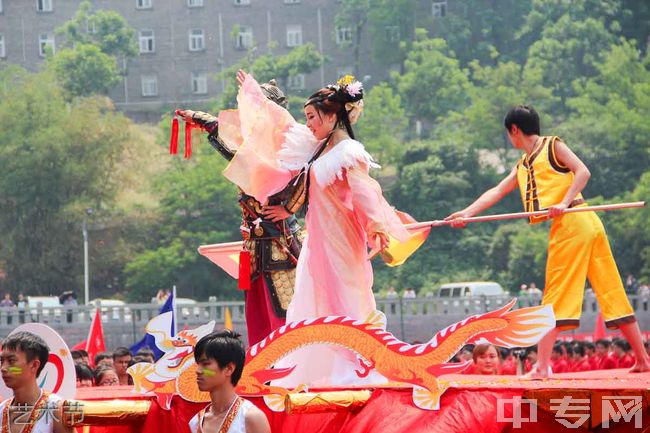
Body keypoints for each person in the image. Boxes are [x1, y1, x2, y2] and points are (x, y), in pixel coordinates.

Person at [446, 105, 650, 377]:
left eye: (509, 134)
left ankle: (542, 366)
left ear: (514, 130)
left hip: (574, 222)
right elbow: (497, 190)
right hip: (586, 224)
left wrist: (563, 202)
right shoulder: (524, 163)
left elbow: (583, 171)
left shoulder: (553, 146)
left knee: (554, 295)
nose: (510, 138)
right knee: (611, 290)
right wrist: (467, 213)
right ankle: (643, 359)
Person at [177, 78, 302, 347]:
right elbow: (236, 149)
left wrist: (289, 207)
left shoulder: (289, 147)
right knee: (258, 316)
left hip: (281, 243)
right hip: (256, 244)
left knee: (285, 313)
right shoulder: (256, 148)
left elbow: (309, 180)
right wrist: (203, 120)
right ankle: (264, 371)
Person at [190, 330, 270, 433]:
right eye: (198, 365)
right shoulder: (196, 422)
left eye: (205, 364)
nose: (198, 371)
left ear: (228, 369)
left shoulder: (251, 418)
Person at [0, 331, 73, 433]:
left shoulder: (55, 409)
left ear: (34, 365)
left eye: (11, 361)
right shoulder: (1, 410)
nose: (3, 368)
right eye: (1, 361)